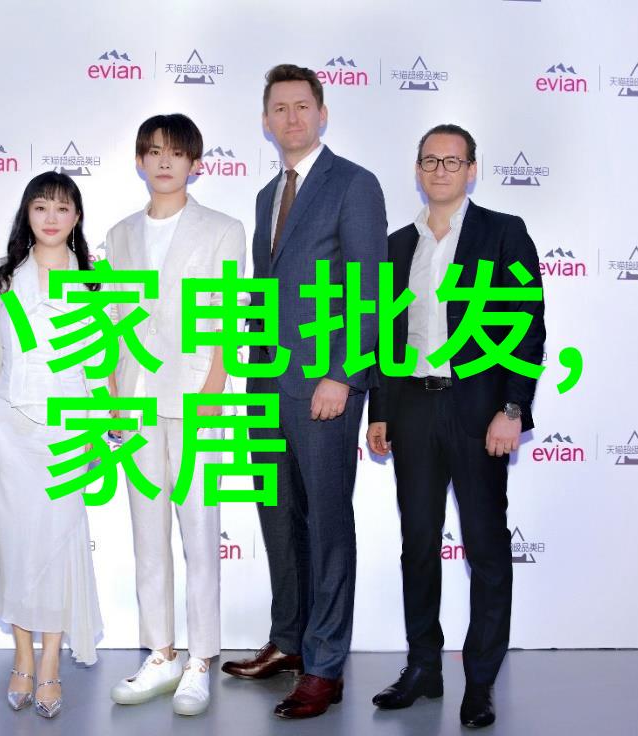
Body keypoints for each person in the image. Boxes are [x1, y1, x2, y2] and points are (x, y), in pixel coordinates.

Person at [220, 64, 387, 720]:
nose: (290, 118)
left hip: (324, 382)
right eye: (278, 109)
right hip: (266, 378)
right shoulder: (268, 194)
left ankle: (324, 665)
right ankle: (288, 639)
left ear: (322, 113)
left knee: (327, 521)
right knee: (278, 515)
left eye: (301, 106)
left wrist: (344, 374)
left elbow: (370, 286)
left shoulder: (353, 183)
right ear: (265, 121)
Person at [366, 123, 545, 729]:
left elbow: (527, 323)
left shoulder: (503, 232)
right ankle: (423, 667)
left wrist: (513, 408)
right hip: (413, 408)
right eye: (430, 160)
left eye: (452, 160)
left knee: (486, 547)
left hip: (478, 410)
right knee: (418, 545)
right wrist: (381, 409)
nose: (440, 170)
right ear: (417, 170)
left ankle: (481, 681)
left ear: (472, 169)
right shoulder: (396, 244)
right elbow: (385, 334)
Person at [104, 113, 246, 716]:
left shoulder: (223, 229)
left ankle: (200, 659)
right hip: (136, 399)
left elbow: (230, 312)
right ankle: (160, 653)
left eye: (176, 152)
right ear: (140, 161)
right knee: (147, 534)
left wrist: (214, 390)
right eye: (154, 151)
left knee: (199, 533)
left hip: (195, 396)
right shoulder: (119, 235)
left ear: (196, 163)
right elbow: (113, 321)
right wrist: (113, 394)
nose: (164, 161)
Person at [0, 172, 104, 720]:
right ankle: (22, 656)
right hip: (11, 424)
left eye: (63, 208)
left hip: (69, 426)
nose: (51, 217)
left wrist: (107, 419)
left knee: (60, 545)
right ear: (27, 213)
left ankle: (50, 662)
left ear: (76, 218)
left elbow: (99, 361)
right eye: (41, 206)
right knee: (19, 544)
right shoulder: (0, 275)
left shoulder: (95, 280)